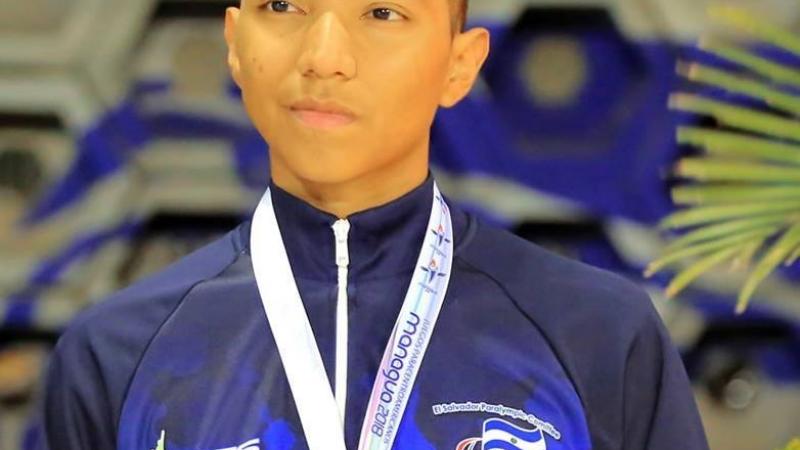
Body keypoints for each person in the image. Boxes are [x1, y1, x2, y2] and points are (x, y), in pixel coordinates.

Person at [35, 0, 709, 449]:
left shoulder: (598, 334)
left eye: (383, 11)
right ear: (235, 43)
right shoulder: (116, 353)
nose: (324, 55)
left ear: (460, 65)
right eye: (284, 6)